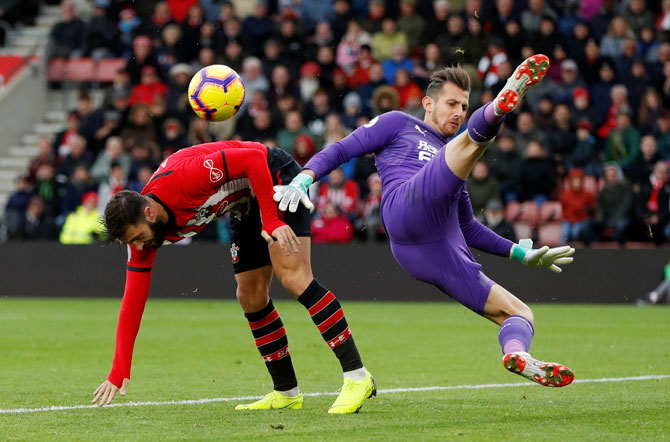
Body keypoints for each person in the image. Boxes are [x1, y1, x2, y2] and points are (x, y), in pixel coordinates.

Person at [275, 55, 576, 388]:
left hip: (437, 251)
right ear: (427, 103)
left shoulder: (453, 166)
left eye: (464, 106)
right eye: (451, 103)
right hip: (405, 206)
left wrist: (521, 254)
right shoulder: (398, 123)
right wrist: (305, 176)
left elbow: (468, 228)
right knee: (468, 146)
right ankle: (501, 104)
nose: (458, 112)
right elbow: (343, 149)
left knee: (520, 314)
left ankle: (517, 355)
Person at [92, 141, 374, 414]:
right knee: (250, 296)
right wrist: (119, 371)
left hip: (273, 176)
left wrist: (271, 220)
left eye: (139, 237)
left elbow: (253, 158)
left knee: (294, 277)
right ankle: (286, 393)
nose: (140, 247)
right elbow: (132, 302)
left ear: (149, 212)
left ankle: (357, 376)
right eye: (132, 242)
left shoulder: (184, 180)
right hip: (243, 205)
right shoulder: (139, 239)